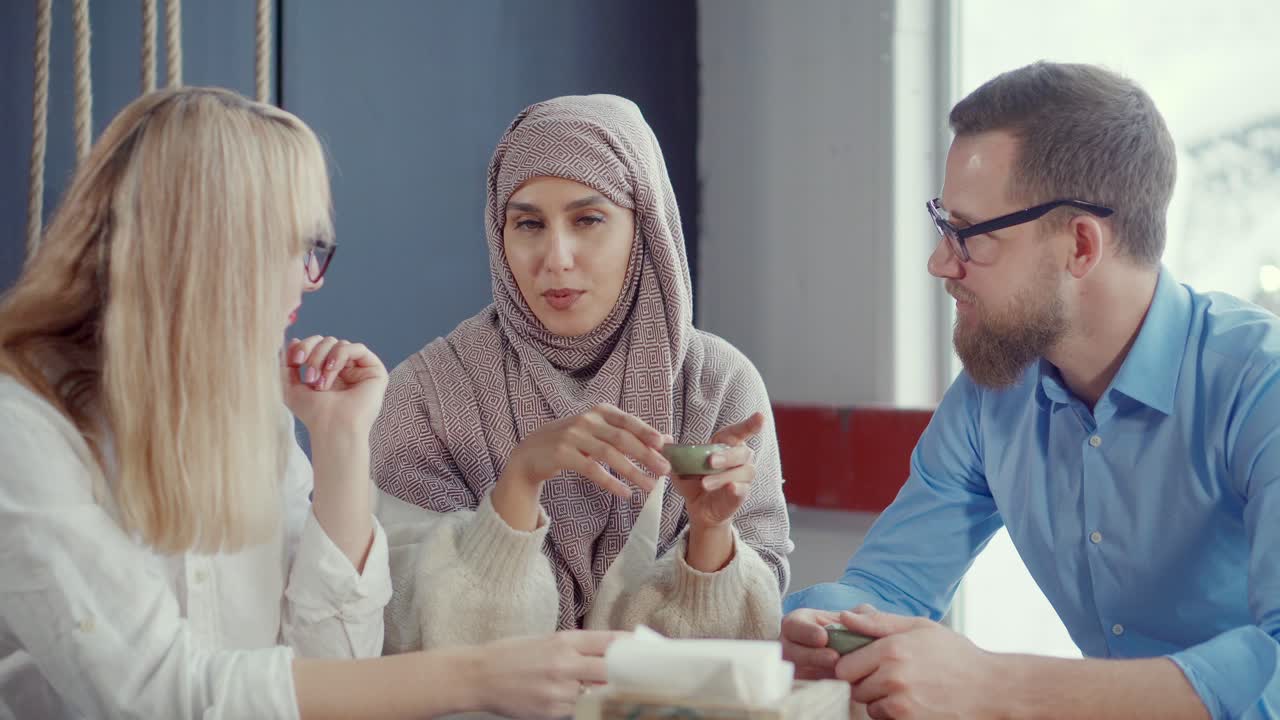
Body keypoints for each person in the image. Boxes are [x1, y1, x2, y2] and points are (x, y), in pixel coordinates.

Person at [0, 86, 619, 720]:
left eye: (314, 250)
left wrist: (341, 441)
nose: (308, 277)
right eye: (291, 246)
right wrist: (477, 675)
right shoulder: (23, 429)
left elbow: (331, 670)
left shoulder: (245, 409)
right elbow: (161, 698)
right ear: (200, 245)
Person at [781, 62, 1279, 719]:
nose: (940, 262)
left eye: (971, 234)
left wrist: (996, 688)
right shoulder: (995, 393)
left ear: (1079, 245)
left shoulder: (1258, 388)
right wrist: (821, 629)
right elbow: (885, 589)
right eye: (941, 223)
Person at [371, 94, 792, 651]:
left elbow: (739, 653)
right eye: (527, 223)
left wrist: (710, 535)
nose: (556, 257)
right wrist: (518, 485)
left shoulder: (716, 383)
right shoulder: (426, 394)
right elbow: (406, 633)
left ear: (644, 229)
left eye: (588, 219)